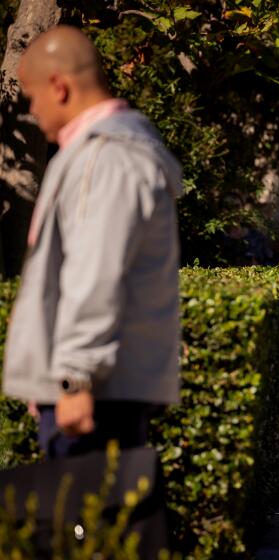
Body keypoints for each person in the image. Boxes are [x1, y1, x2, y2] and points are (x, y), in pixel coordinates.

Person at [2, 26, 182, 458]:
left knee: (87, 517)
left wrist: (74, 379)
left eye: (32, 96)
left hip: (97, 392)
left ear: (59, 87)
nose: (32, 110)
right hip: (104, 387)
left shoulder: (107, 157)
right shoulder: (108, 152)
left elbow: (95, 272)